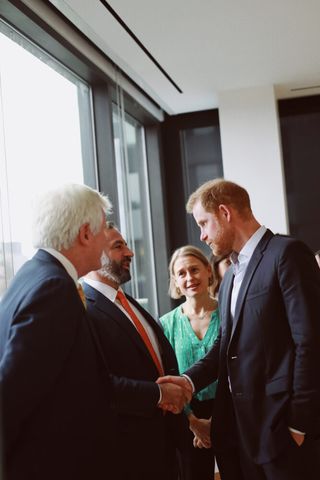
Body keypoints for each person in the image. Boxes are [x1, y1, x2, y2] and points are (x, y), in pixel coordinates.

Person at [158, 178, 320, 480]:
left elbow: (310, 342)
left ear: (224, 212)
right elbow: (225, 347)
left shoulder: (287, 254)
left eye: (204, 224)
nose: (203, 236)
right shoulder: (230, 275)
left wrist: (299, 423)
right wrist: (187, 382)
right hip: (243, 434)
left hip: (283, 429)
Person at [0, 183, 116, 480]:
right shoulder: (54, 288)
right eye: (103, 230)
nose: (106, 240)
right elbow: (13, 390)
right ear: (86, 234)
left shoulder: (30, 274)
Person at [83, 222, 190, 480]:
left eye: (127, 245)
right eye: (118, 246)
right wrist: (159, 394)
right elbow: (97, 385)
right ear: (95, 250)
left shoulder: (129, 303)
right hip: (127, 455)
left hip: (166, 447)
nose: (130, 253)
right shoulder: (83, 310)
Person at [160, 245, 220, 480]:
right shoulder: (166, 324)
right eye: (182, 273)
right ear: (175, 281)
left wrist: (217, 421)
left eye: (194, 270)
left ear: (208, 270)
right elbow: (166, 373)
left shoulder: (231, 313)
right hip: (186, 417)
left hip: (231, 410)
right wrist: (194, 422)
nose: (189, 278)